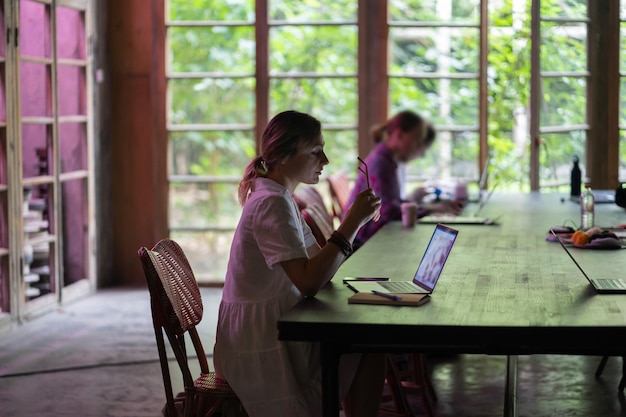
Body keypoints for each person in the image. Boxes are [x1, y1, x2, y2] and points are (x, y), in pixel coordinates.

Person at [213, 110, 386, 417]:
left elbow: (319, 264)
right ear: (284, 155)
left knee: (370, 345)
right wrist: (351, 222)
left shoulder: (281, 198)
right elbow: (308, 282)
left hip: (280, 323)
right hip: (262, 341)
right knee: (368, 343)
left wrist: (353, 226)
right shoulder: (271, 203)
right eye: (315, 151)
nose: (326, 160)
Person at [345, 110, 463, 250]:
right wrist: (431, 209)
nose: (419, 149)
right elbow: (387, 213)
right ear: (400, 135)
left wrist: (419, 203)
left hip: (370, 238)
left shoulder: (387, 160)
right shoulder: (381, 163)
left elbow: (389, 204)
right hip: (362, 244)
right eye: (417, 142)